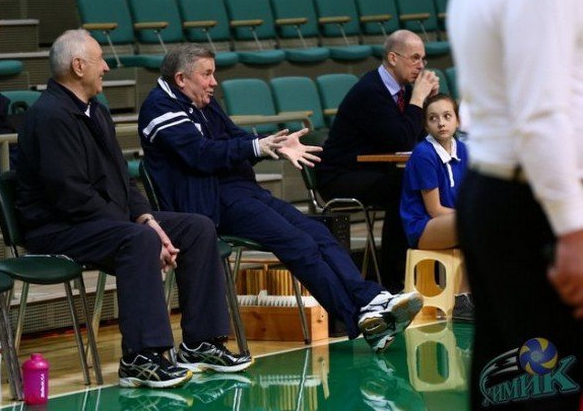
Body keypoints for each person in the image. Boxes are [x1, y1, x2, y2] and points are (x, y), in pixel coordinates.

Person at [137, 43, 423, 352]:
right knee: (298, 243)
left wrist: (272, 144)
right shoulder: (159, 108)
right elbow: (200, 154)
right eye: (207, 74)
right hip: (206, 204)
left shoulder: (201, 100)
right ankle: (361, 315)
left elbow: (233, 137)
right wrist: (256, 147)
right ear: (181, 79)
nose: (214, 82)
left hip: (238, 190)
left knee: (317, 232)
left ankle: (369, 301)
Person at [15, 29, 253, 390]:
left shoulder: (96, 112)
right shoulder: (49, 117)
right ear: (78, 66)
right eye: (100, 60)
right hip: (57, 227)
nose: (106, 67)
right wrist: (145, 232)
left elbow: (123, 181)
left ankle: (200, 343)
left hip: (99, 220)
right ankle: (141, 358)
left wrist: (148, 218)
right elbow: (71, 196)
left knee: (197, 228)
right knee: (139, 240)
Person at [448, 0, 583, 409]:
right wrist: (572, 229)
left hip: (494, 188)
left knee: (503, 384)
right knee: (551, 384)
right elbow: (540, 115)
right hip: (535, 202)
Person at [317, 30, 440, 292]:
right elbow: (401, 140)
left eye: (423, 59)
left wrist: (428, 101)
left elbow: (419, 137)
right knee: (406, 186)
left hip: (374, 171)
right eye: (415, 58)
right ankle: (395, 280)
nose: (421, 65)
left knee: (421, 179)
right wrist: (418, 99)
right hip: (341, 176)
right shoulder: (370, 91)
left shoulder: (404, 91)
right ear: (393, 58)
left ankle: (428, 271)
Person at [399, 94, 473, 320]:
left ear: (458, 121)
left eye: (447, 116)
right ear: (425, 125)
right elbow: (435, 210)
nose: (441, 123)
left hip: (452, 222)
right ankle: (463, 299)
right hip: (424, 227)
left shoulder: (464, 150)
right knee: (476, 223)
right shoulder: (424, 154)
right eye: (433, 118)